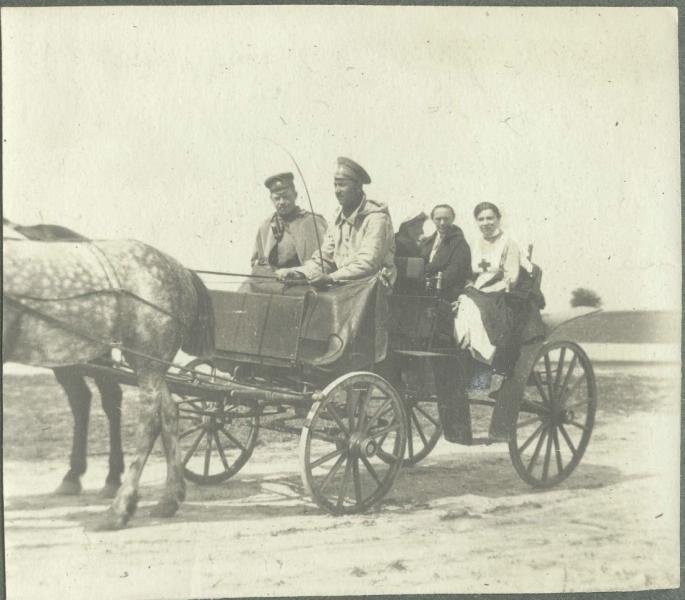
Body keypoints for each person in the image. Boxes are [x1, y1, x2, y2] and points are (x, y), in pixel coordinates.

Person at [276, 157, 396, 287]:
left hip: (373, 285)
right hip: (345, 285)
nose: (337, 191)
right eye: (335, 184)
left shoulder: (377, 218)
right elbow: (325, 258)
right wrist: (299, 272)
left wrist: (331, 278)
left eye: (342, 184)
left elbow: (368, 264)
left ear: (358, 187)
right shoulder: (337, 218)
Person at [453, 201, 522, 396]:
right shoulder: (473, 243)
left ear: (498, 219)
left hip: (499, 292)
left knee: (475, 309)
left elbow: (512, 277)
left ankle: (485, 368)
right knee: (460, 308)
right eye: (481, 219)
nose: (486, 222)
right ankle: (467, 364)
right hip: (474, 290)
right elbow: (467, 272)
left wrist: (487, 290)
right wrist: (469, 286)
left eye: (490, 218)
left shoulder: (509, 243)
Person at [251, 172, 327, 269]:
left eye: (286, 197)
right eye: (277, 198)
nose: (281, 202)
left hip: (303, 279)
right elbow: (256, 261)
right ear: (271, 199)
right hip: (271, 280)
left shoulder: (313, 222)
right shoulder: (265, 226)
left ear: (295, 195)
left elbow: (325, 260)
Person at [419, 204, 472, 302]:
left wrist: (427, 281)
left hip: (446, 294)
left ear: (453, 219)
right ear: (432, 219)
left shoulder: (460, 243)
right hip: (424, 291)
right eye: (438, 219)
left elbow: (454, 272)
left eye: (446, 219)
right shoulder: (427, 242)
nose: (442, 223)